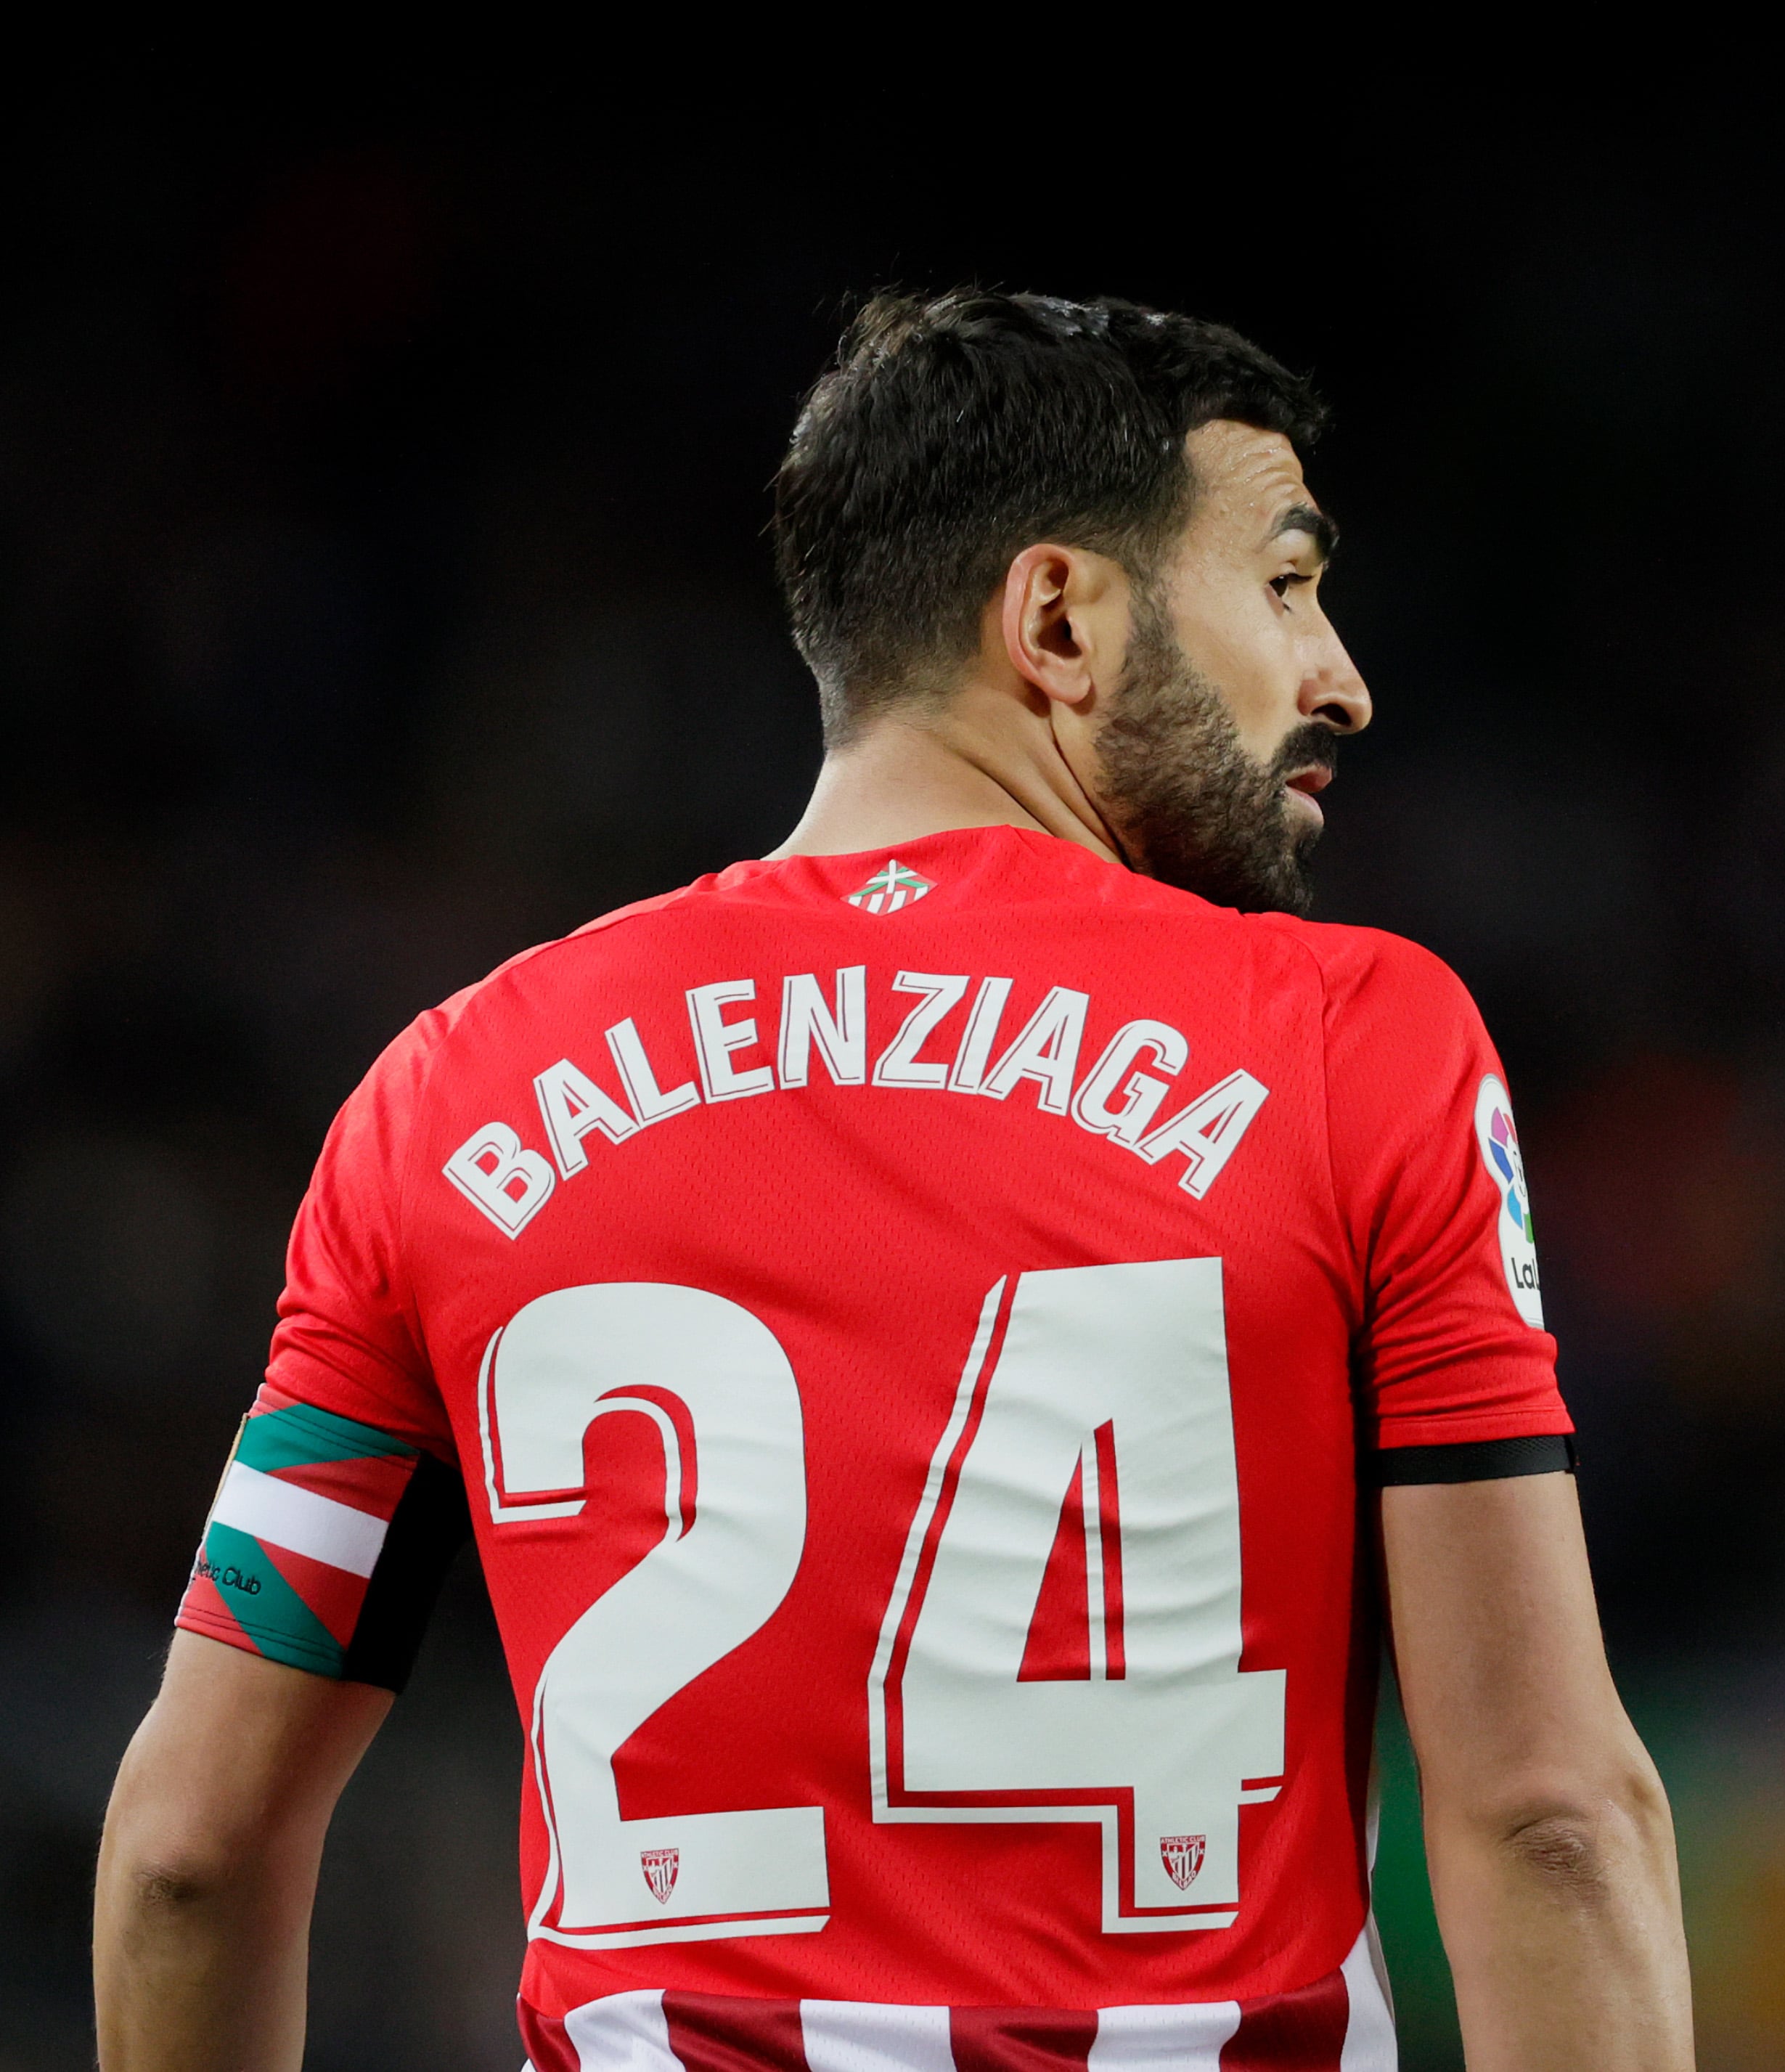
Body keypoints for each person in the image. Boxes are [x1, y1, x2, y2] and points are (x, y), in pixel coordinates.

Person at [92, 290, 1693, 2072]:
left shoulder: (445, 1098)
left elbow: (186, 1849)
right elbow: (1545, 1815)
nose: (1340, 679)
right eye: (1288, 584)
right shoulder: (1353, 1039)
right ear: (1061, 617)